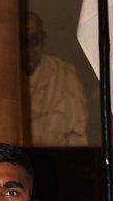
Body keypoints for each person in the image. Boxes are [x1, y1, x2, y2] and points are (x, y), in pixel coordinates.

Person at [20, 12, 88, 146]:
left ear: (43, 40)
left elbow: (77, 135)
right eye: (22, 42)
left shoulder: (65, 75)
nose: (28, 49)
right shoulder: (3, 81)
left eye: (33, 40)